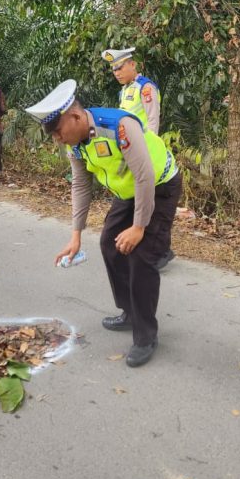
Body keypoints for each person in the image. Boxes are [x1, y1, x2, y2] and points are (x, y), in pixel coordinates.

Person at [27, 80, 182, 368]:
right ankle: (130, 311)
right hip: (128, 192)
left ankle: (146, 335)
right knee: (109, 244)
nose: (57, 139)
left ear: (75, 117)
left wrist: (139, 228)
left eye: (59, 132)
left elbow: (145, 176)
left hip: (159, 186)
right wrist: (75, 236)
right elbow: (81, 186)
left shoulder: (120, 127)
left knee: (143, 257)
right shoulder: (75, 144)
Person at [102, 46, 174, 270]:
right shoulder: (125, 90)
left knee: (151, 201)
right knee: (136, 199)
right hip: (129, 150)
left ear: (133, 64)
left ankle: (161, 250)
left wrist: (149, 151)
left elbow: (153, 122)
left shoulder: (146, 88)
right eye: (113, 69)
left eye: (120, 67)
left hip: (145, 151)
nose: (116, 72)